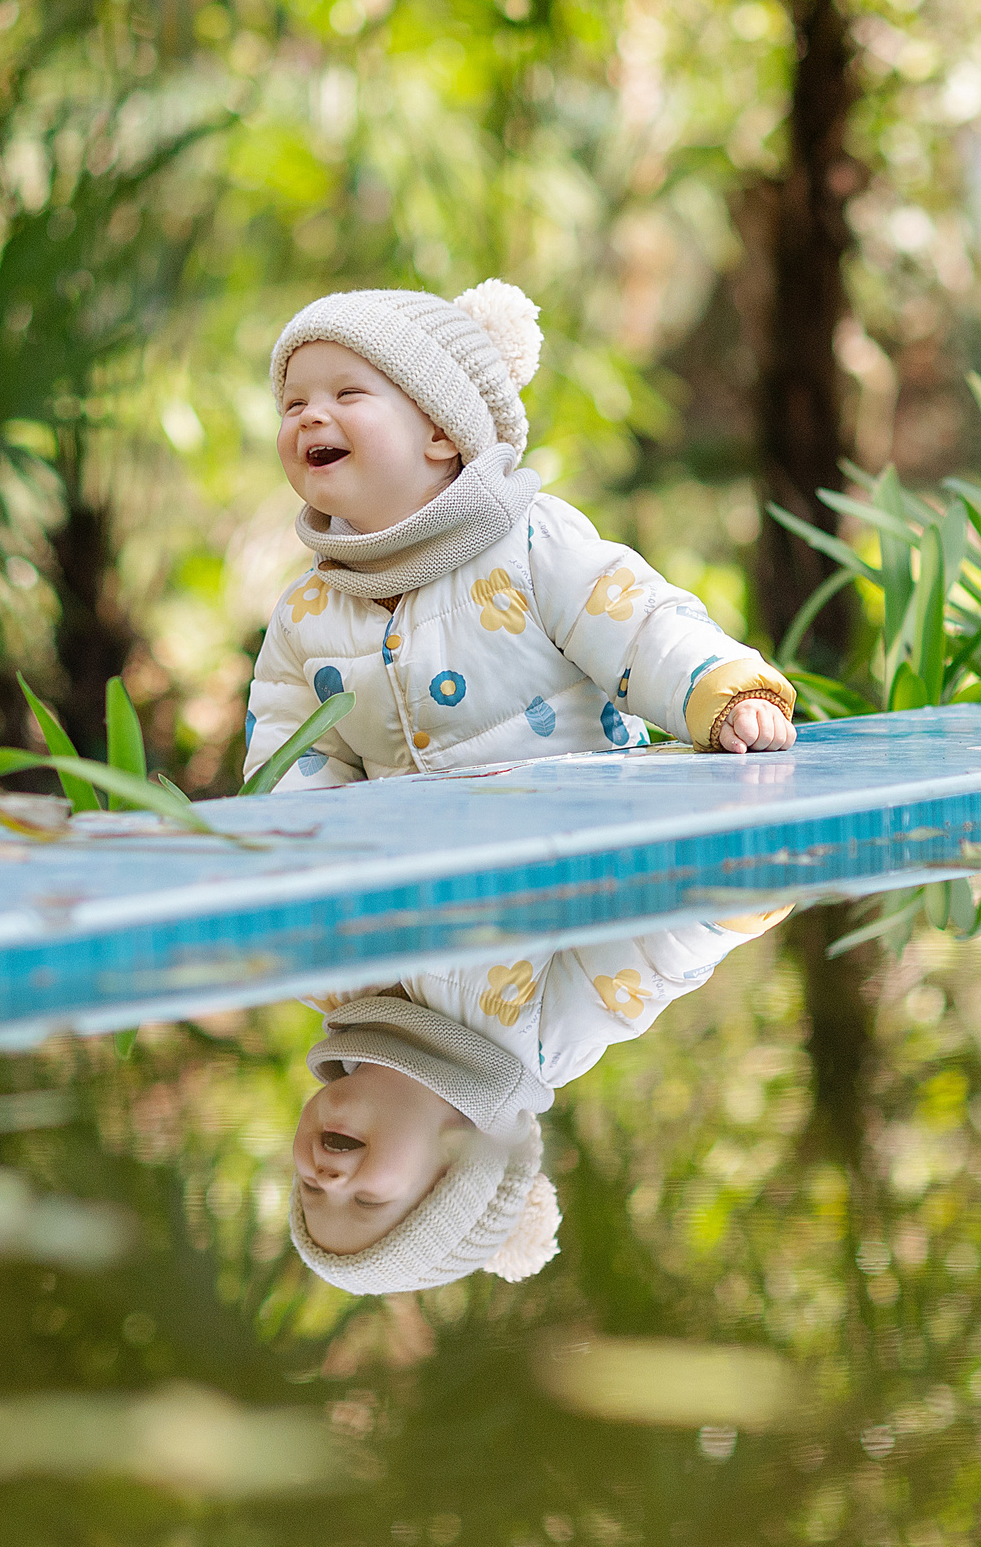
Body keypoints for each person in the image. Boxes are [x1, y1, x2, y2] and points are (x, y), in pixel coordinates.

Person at [241, 279, 796, 791]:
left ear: (440, 431)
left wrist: (726, 694)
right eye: (294, 403)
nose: (310, 416)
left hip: (585, 848)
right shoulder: (305, 615)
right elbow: (294, 760)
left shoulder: (531, 543)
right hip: (429, 881)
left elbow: (641, 630)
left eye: (346, 394)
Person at [290, 910, 790, 1295]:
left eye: (310, 1192)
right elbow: (650, 958)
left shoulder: (320, 968)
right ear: (456, 1159)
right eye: (366, 1201)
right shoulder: (541, 1039)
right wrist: (728, 904)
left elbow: (299, 811)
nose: (327, 1180)